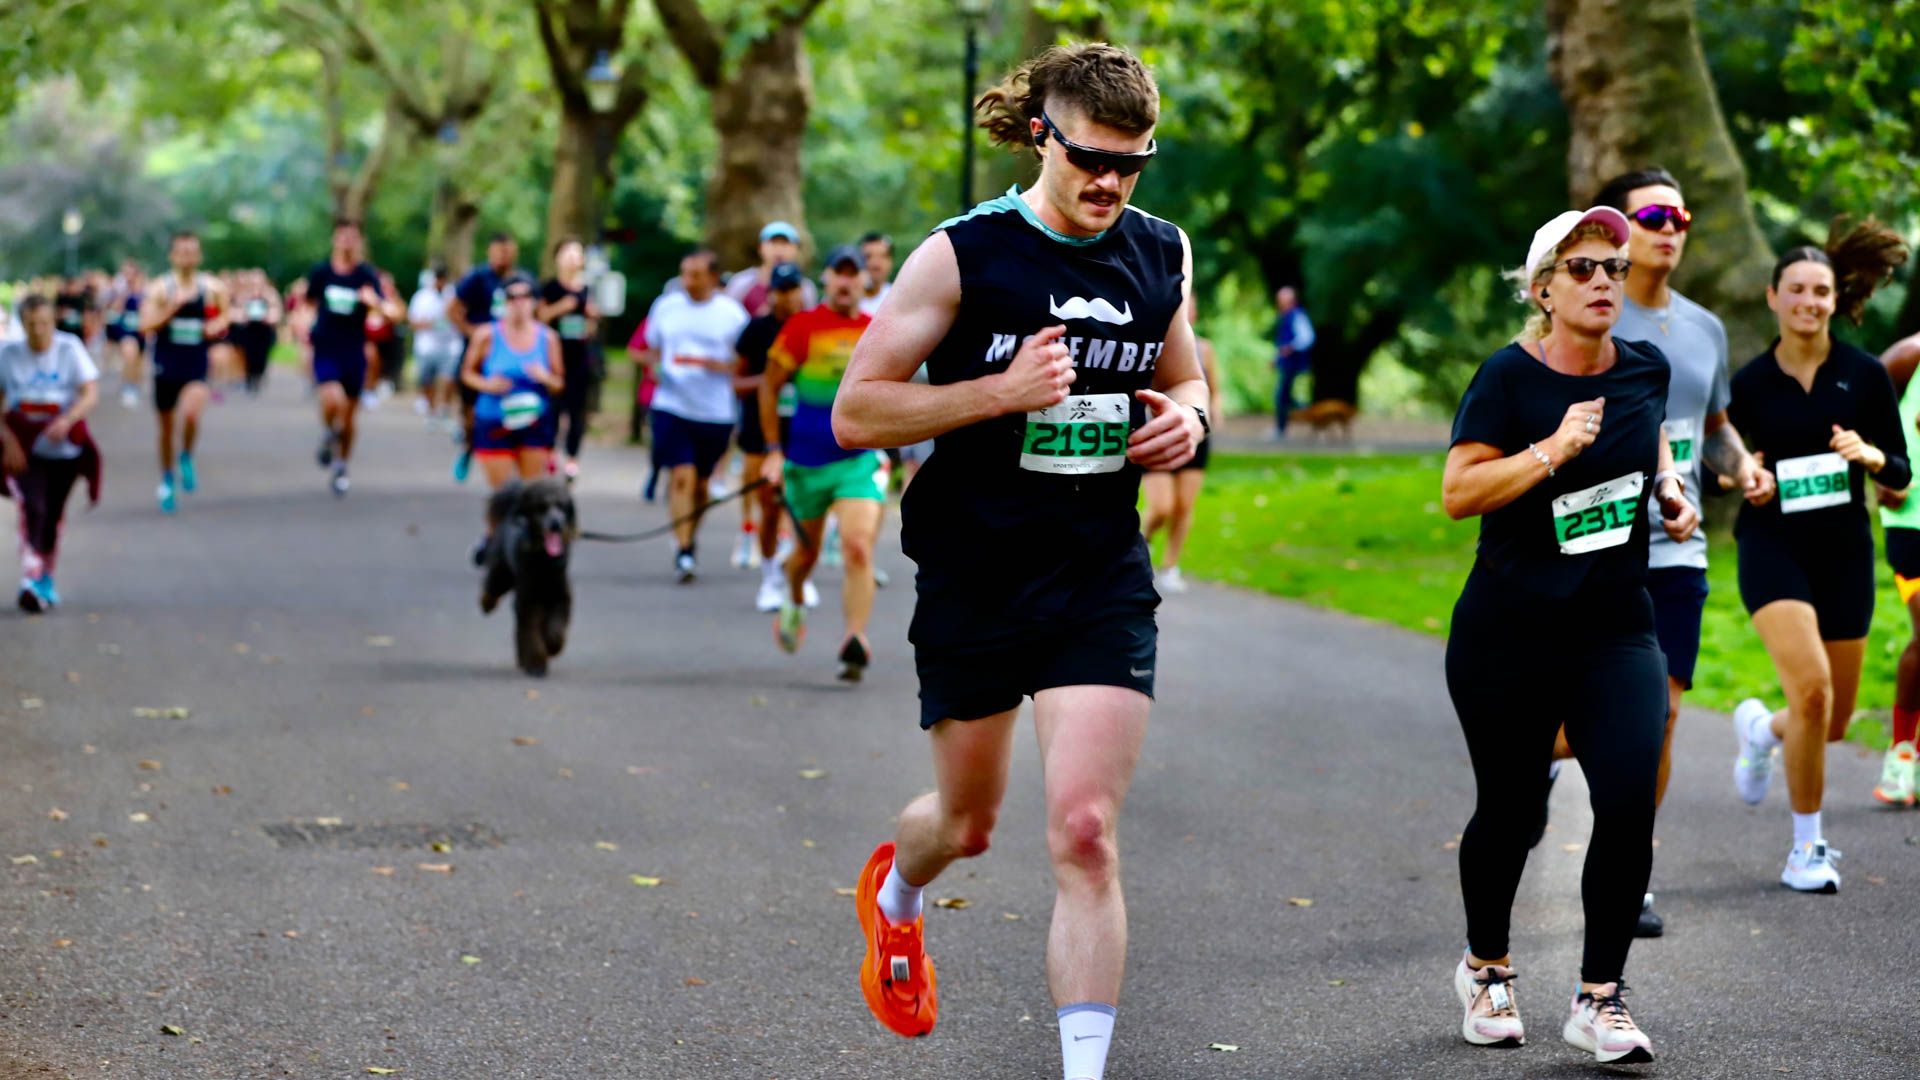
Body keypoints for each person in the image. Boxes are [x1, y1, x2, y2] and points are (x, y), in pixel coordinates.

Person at [831, 44, 1208, 1080]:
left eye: (1133, 164)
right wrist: (995, 393)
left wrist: (1189, 421)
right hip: (975, 568)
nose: (1110, 185)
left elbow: (1191, 378)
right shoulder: (961, 256)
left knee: (1085, 831)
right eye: (1091, 159)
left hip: (1097, 573)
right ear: (1042, 132)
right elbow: (856, 411)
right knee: (968, 822)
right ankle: (898, 894)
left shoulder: (1159, 252)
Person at [1443, 206, 1696, 1064]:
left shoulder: (1646, 369)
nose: (1602, 283)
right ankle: (1487, 968)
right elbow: (1459, 493)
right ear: (1542, 287)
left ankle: (1600, 997)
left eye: (1613, 269)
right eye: (1582, 268)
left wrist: (1668, 488)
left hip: (1615, 625)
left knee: (1627, 799)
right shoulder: (1508, 379)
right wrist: (1550, 451)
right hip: (1508, 630)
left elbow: (1648, 433)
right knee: (1512, 814)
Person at [1537, 168, 1774, 938]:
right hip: (1590, 543)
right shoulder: (1588, 312)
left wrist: (1743, 468)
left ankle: (1628, 865)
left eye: (1680, 215)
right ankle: (1537, 754)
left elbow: (1713, 428)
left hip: (1679, 547)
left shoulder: (1704, 328)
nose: (1670, 228)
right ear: (1618, 231)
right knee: (1573, 714)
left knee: (1660, 717)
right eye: (1654, 215)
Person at [1727, 221, 1911, 892]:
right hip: (1772, 546)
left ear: (1836, 300)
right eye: (1796, 290)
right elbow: (1723, 458)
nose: (1808, 301)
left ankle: (1759, 731)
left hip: (1843, 552)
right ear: (1774, 297)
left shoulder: (1862, 375)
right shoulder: (1747, 383)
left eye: (1821, 291)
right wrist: (1743, 474)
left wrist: (1869, 456)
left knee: (1828, 721)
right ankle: (1807, 849)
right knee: (1810, 689)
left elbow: (1902, 470)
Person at [761, 247, 882, 678]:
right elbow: (768, 387)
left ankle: (854, 641)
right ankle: (793, 597)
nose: (846, 282)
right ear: (827, 279)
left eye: (854, 274)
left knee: (857, 546)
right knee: (805, 556)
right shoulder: (802, 327)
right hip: (805, 462)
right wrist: (773, 451)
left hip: (857, 460)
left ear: (865, 282)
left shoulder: (876, 329)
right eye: (839, 273)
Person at [638, 251, 749, 583]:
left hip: (715, 411)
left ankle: (690, 535)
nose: (689, 281)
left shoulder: (731, 314)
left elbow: (744, 362)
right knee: (681, 476)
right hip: (672, 404)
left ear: (713, 278)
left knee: (701, 485)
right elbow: (651, 348)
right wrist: (655, 368)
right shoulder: (666, 306)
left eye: (697, 275)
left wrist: (719, 366)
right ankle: (683, 549)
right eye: (685, 273)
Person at [1, 295, 101, 612]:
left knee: (53, 514)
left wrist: (68, 419)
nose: (39, 331)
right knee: (32, 506)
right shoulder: (8, 355)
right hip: (25, 449)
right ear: (23, 324)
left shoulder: (69, 348)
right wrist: (7, 439)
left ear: (52, 322)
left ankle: (46, 575)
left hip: (64, 449)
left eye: (44, 324)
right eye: (31, 325)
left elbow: (90, 392)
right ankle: (30, 577)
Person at [304, 219, 399, 497]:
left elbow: (392, 314)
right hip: (326, 347)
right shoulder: (321, 272)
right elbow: (307, 305)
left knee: (349, 417)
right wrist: (303, 324)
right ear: (335, 239)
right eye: (342, 236)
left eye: (353, 237)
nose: (347, 242)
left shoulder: (366, 276)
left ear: (359, 243)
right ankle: (327, 433)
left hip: (354, 350)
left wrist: (375, 303)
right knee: (333, 399)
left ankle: (341, 465)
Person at [734, 261, 808, 609]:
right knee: (769, 504)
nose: (787, 297)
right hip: (761, 431)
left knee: (804, 505)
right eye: (781, 290)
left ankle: (796, 572)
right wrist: (770, 382)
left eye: (793, 289)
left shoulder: (811, 328)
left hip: (804, 430)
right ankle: (769, 577)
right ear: (771, 293)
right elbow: (737, 381)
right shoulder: (756, 330)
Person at [138, 230, 227, 514]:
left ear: (199, 256)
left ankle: (186, 454)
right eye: (181, 252)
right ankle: (166, 478)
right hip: (166, 364)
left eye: (192, 252)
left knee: (191, 412)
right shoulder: (159, 288)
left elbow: (225, 314)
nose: (187, 257)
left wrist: (216, 326)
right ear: (172, 256)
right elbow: (145, 325)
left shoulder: (212, 288)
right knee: (165, 429)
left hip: (195, 363)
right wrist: (170, 310)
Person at [1140, 302, 1219, 593]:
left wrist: (1209, 418)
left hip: (1193, 431)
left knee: (1184, 506)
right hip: (1155, 430)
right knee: (1162, 506)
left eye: (1192, 306)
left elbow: (1211, 389)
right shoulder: (1147, 338)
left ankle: (1171, 566)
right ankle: (1142, 542)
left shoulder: (1205, 349)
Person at [462, 272, 563, 497]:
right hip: (494, 420)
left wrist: (544, 377)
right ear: (503, 301)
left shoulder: (548, 338)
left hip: (534, 423)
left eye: (525, 296)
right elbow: (467, 373)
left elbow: (559, 383)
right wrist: (488, 385)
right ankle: (498, 532)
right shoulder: (486, 334)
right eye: (511, 297)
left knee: (531, 495)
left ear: (535, 301)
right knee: (504, 497)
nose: (518, 303)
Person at [1874, 327, 1920, 806]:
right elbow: (1859, 404)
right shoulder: (1909, 355)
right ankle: (1900, 753)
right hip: (1913, 521)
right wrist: (1881, 470)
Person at [448, 233, 526, 484]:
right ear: (490, 252)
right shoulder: (477, 278)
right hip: (479, 356)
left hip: (511, 357)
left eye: (508, 250)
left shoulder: (521, 281)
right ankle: (471, 447)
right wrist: (473, 333)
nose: (504, 255)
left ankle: (512, 455)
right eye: (499, 251)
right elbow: (452, 310)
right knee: (473, 414)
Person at [538, 238, 600, 479]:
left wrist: (591, 321)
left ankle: (573, 458)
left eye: (578, 253)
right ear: (557, 258)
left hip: (579, 358)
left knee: (577, 411)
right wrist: (561, 307)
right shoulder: (550, 288)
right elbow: (540, 317)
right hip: (553, 358)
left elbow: (593, 326)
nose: (573, 258)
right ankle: (550, 453)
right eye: (568, 253)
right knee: (553, 409)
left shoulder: (587, 289)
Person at [724, 222, 818, 317]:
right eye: (773, 243)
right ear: (760, 248)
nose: (779, 249)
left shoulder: (806, 288)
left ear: (796, 249)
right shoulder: (741, 283)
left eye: (785, 243)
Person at [409, 267, 462, 432]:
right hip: (426, 346)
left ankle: (444, 410)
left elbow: (460, 315)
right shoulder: (421, 297)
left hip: (450, 345)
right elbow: (413, 321)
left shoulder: (453, 294)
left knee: (449, 378)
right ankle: (431, 412)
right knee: (427, 380)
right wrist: (428, 324)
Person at [1271, 285, 1314, 437]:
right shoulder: (1285, 316)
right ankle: (1300, 409)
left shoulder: (1297, 315)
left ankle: (1283, 427)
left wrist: (1291, 348)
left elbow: (1307, 337)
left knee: (1282, 396)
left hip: (1294, 364)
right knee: (1283, 396)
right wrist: (1277, 359)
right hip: (1287, 363)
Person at [234, 269, 283, 396]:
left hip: (264, 330)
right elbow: (237, 311)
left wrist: (269, 316)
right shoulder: (244, 295)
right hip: (249, 330)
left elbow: (277, 312)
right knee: (249, 354)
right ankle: (249, 377)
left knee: (262, 355)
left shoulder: (270, 294)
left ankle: (258, 375)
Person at [106, 260, 147, 408]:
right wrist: (121, 295)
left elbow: (149, 309)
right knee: (130, 355)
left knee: (138, 362)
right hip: (125, 329)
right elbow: (114, 309)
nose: (127, 275)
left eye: (130, 272)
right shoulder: (120, 290)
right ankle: (128, 388)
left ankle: (133, 385)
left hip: (141, 330)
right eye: (125, 273)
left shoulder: (144, 290)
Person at [858, 231, 894, 316]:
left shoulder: (898, 299)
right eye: (868, 256)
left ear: (891, 262)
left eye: (882, 256)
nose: (875, 264)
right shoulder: (842, 299)